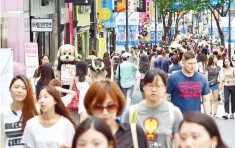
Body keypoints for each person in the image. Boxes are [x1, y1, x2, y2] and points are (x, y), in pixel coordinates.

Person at [123, 69, 183, 148]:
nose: (153, 90)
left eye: (157, 86)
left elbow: (180, 143)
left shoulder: (174, 112)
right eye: (150, 85)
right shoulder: (131, 113)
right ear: (144, 87)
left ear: (165, 88)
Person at [84, 80, 148, 148]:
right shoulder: (84, 137)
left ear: (118, 106)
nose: (105, 112)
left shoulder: (134, 132)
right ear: (90, 108)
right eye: (98, 107)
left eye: (111, 106)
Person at [0, 75, 38, 148]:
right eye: (16, 87)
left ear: (28, 92)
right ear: (10, 89)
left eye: (24, 88)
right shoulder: (3, 113)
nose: (19, 91)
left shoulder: (35, 111)